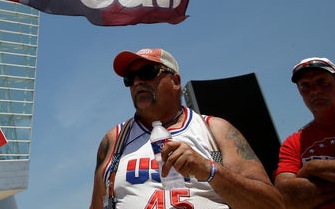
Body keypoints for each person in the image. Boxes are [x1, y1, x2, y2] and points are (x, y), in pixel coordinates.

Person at [89, 47, 285, 209]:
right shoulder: (115, 140)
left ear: (175, 81)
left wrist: (209, 170)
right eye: (129, 78)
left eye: (148, 73)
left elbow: (273, 205)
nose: (138, 81)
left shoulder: (215, 130)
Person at [274, 57, 335, 208]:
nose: (315, 91)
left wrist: (312, 168)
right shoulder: (294, 143)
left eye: (322, 82)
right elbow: (285, 196)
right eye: (305, 86)